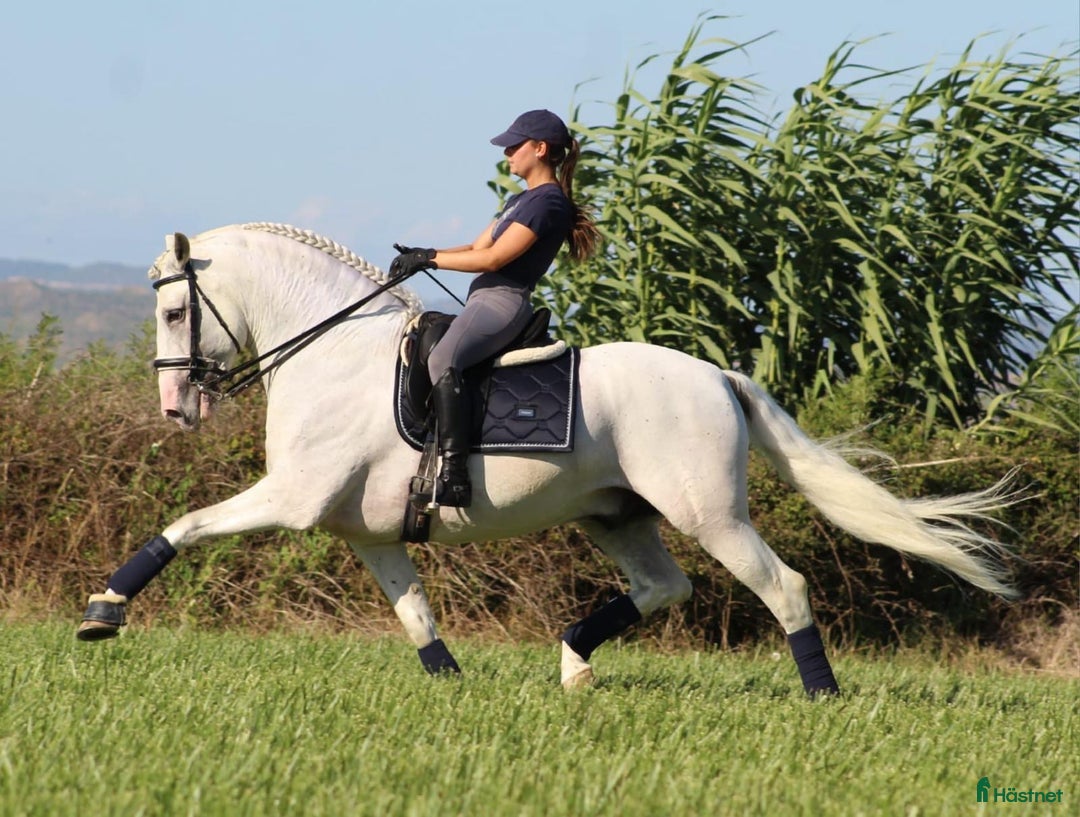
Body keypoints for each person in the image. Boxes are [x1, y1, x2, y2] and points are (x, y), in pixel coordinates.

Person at [390, 109, 598, 508]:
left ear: (540, 149)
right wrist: (423, 253)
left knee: (444, 358)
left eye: (514, 146)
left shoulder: (548, 203)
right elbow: (476, 247)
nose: (507, 154)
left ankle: (455, 477)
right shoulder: (521, 200)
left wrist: (431, 260)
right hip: (482, 298)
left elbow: (494, 259)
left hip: (504, 301)